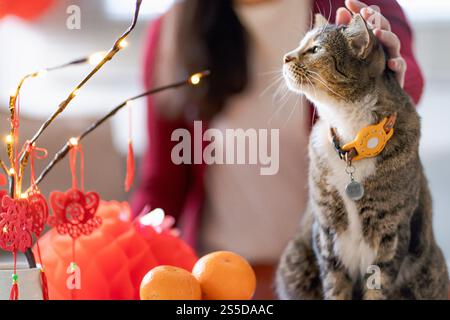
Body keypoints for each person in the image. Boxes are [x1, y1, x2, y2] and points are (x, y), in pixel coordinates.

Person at [132, 0, 423, 299]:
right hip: (217, 280)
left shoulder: (353, 10)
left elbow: (408, 76)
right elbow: (162, 186)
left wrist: (384, 79)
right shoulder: (173, 30)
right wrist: (124, 255)